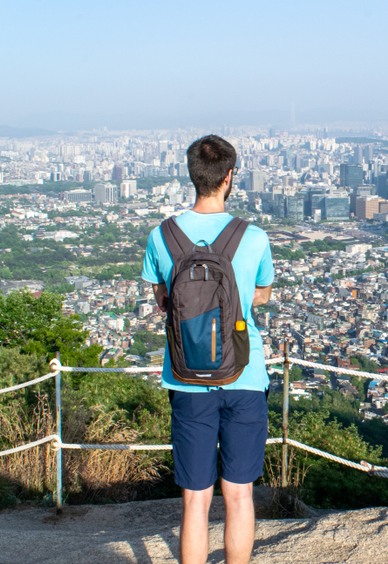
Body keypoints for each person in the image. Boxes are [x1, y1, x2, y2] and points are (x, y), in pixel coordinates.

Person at [141, 135, 274, 564]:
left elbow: (164, 298)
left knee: (195, 501)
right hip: (244, 376)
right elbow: (261, 295)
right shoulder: (252, 237)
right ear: (229, 177)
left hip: (186, 377)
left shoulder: (161, 237)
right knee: (238, 496)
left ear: (191, 174)